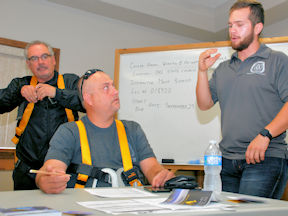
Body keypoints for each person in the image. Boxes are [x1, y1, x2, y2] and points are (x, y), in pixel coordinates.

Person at [196, 0, 288, 199]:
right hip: (227, 161)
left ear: (258, 28)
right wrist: (202, 71)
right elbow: (204, 104)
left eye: (240, 24)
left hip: (265, 158)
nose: (233, 31)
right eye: (230, 25)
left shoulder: (277, 61)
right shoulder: (223, 69)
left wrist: (265, 135)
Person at [35, 69, 175, 194]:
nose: (115, 91)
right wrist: (46, 180)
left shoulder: (132, 130)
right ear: (88, 98)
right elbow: (49, 170)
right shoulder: (69, 132)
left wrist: (159, 176)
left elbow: (151, 167)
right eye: (106, 88)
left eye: (113, 86)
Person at [0, 40, 84, 190]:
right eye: (34, 58)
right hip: (27, 171)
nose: (40, 62)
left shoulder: (70, 82)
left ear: (53, 60)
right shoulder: (21, 84)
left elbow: (88, 102)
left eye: (44, 56)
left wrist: (57, 93)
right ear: (28, 64)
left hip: (63, 171)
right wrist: (18, 93)